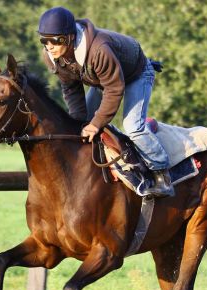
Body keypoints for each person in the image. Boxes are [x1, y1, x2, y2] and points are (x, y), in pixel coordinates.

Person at [37, 7, 174, 197]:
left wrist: (95, 124)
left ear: (69, 37)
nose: (49, 46)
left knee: (132, 126)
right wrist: (81, 121)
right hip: (105, 80)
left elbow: (114, 89)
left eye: (56, 40)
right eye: (45, 40)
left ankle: (162, 175)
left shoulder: (99, 50)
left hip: (137, 74)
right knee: (80, 125)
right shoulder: (52, 57)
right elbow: (71, 88)